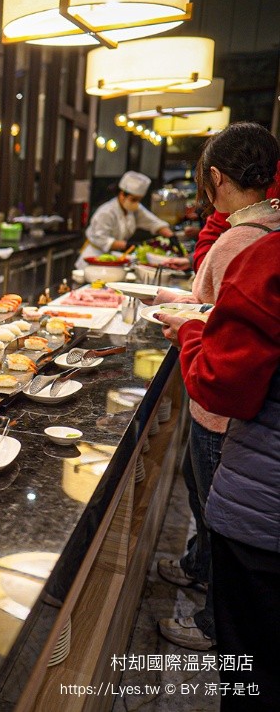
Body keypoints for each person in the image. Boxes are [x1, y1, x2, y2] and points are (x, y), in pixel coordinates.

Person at [153, 121, 280, 652]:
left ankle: (209, 622)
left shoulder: (246, 244)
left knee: (209, 505)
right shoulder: (268, 230)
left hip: (241, 441)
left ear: (215, 177)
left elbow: (217, 372)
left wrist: (187, 329)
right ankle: (200, 572)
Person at [76, 171, 174, 268]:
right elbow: (101, 239)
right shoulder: (106, 212)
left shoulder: (134, 209)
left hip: (113, 259)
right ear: (122, 194)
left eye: (139, 200)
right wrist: (128, 245)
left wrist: (171, 236)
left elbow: (154, 222)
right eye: (134, 199)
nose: (137, 203)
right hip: (94, 258)